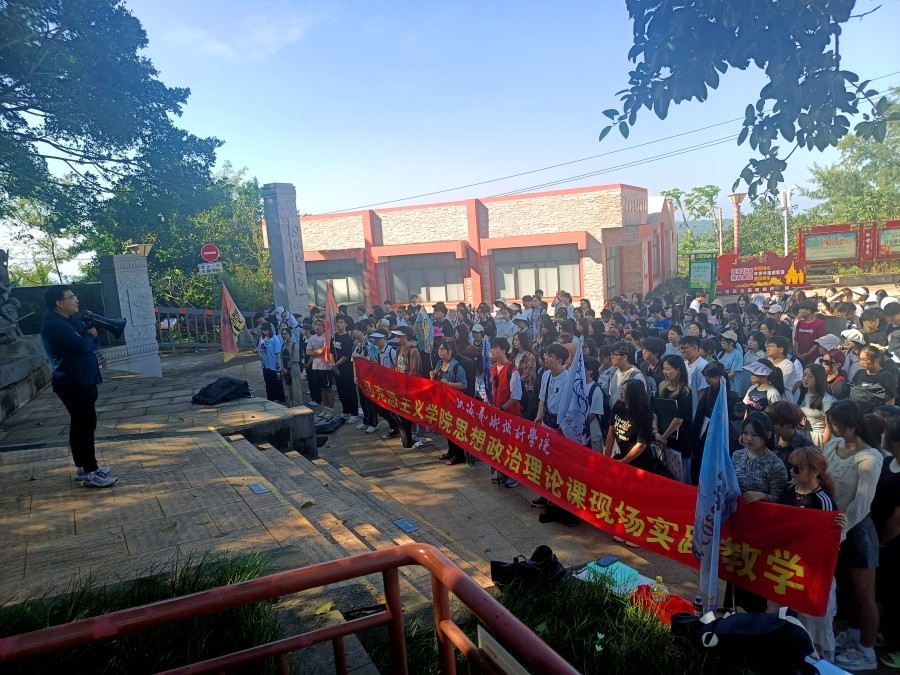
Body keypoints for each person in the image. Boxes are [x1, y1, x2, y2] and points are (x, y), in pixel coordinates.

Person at [824, 401, 884, 672]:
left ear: (848, 426)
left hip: (856, 531)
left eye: (834, 424)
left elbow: (862, 503)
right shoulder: (832, 447)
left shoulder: (870, 458)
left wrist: (842, 530)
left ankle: (867, 651)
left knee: (864, 594)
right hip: (832, 527)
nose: (831, 428)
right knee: (844, 588)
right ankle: (854, 633)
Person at [40, 286, 117, 487]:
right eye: (71, 297)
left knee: (80, 424)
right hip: (73, 382)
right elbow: (83, 345)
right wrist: (90, 335)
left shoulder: (69, 320)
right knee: (85, 425)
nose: (76, 300)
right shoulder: (54, 324)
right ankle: (91, 472)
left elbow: (90, 344)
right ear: (59, 303)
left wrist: (89, 335)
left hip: (83, 379)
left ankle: (84, 467)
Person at [777, 447, 848, 661]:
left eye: (798, 468)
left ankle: (820, 661)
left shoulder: (823, 501)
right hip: (788, 564)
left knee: (814, 618)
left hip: (812, 571)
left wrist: (839, 528)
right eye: (791, 466)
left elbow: (828, 541)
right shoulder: (789, 490)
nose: (792, 471)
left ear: (815, 471)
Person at [726, 412, 789, 613]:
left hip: (761, 529)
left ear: (767, 435)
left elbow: (781, 499)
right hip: (738, 523)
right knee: (735, 568)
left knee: (755, 573)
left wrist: (763, 496)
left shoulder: (775, 464)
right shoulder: (737, 455)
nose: (748, 438)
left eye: (755, 434)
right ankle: (732, 609)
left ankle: (755, 616)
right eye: (745, 433)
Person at [488, 337, 523, 485]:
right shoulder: (493, 368)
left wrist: (501, 409)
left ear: (503, 350)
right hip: (497, 414)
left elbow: (516, 396)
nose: (492, 351)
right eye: (491, 347)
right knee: (499, 444)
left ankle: (514, 476)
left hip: (510, 415)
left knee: (511, 446)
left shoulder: (512, 370)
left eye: (495, 347)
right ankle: (502, 472)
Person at [654, 354, 693, 484]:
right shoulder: (662, 387)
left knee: (682, 477)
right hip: (662, 438)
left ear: (678, 370)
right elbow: (655, 411)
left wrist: (664, 436)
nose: (665, 372)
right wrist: (656, 432)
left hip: (680, 440)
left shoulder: (685, 392)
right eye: (664, 368)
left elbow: (678, 420)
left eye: (668, 369)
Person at [431, 340, 468, 465]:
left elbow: (463, 384)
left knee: (455, 429)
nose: (440, 351)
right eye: (439, 349)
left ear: (450, 351)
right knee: (446, 427)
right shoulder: (439, 363)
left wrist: (449, 384)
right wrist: (433, 376)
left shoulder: (456, 367)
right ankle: (451, 452)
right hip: (443, 401)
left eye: (443, 349)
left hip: (454, 403)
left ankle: (459, 455)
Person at [798, 363, 835, 448]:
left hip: (818, 438)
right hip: (803, 436)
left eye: (810, 376)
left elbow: (829, 427)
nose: (805, 379)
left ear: (819, 378)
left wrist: (823, 447)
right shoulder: (802, 394)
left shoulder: (826, 400)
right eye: (804, 375)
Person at [852, 344, 897, 413]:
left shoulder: (886, 376)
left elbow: (890, 399)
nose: (862, 362)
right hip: (859, 413)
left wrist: (887, 415)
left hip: (877, 415)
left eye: (865, 359)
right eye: (860, 359)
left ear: (876, 360)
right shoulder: (859, 373)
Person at [331, 316, 360, 424]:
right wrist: (333, 364)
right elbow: (331, 352)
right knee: (341, 390)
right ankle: (346, 410)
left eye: (341, 322)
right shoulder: (334, 337)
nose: (339, 324)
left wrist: (336, 365)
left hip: (346, 368)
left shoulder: (348, 338)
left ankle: (354, 413)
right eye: (337, 322)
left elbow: (347, 355)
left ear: (346, 324)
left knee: (350, 390)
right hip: (336, 368)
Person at [306, 319, 335, 416]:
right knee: (322, 388)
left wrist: (315, 352)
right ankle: (325, 407)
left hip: (326, 367)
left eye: (319, 325)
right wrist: (317, 352)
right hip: (315, 366)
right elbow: (308, 352)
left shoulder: (327, 337)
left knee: (328, 388)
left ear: (323, 327)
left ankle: (331, 409)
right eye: (316, 325)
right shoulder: (312, 338)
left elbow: (324, 350)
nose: (317, 327)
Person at [257, 322, 285, 403]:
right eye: (263, 330)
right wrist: (260, 355)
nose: (264, 331)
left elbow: (277, 352)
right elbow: (259, 349)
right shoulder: (261, 339)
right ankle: (271, 397)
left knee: (276, 382)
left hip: (274, 364)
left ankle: (279, 397)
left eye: (266, 329)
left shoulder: (274, 338)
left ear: (269, 329)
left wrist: (277, 363)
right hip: (265, 364)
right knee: (268, 382)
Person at [279, 327, 303, 407]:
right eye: (283, 334)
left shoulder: (294, 345)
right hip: (285, 371)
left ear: (289, 334)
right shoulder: (283, 344)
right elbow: (281, 357)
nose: (284, 335)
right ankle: (291, 404)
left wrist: (287, 368)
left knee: (296, 390)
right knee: (288, 390)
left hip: (293, 370)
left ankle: (298, 406)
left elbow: (294, 359)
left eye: (286, 333)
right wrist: (283, 368)